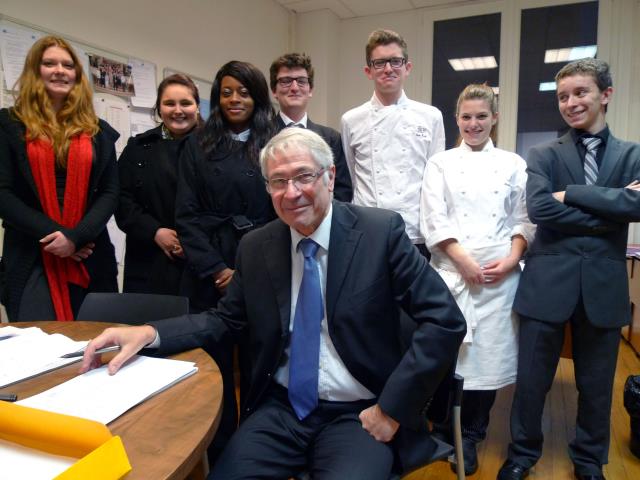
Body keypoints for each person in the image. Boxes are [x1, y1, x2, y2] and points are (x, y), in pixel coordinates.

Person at [81, 127, 466, 479]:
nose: (292, 192)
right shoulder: (257, 246)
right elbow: (225, 321)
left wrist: (392, 409)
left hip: (360, 412)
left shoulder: (380, 233)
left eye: (303, 176)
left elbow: (444, 321)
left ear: (330, 177)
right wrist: (150, 333)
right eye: (278, 181)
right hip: (281, 409)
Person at [497, 58, 640, 480]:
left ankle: (589, 460)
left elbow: (639, 206)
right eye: (563, 96)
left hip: (604, 286)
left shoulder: (633, 154)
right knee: (531, 382)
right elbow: (540, 209)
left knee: (596, 386)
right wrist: (611, 208)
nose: (571, 103)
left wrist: (573, 193)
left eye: (580, 92)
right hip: (546, 284)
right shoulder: (542, 153)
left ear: (605, 95)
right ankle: (522, 455)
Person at [420, 83, 534, 475]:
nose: (473, 124)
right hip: (453, 274)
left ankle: (471, 433)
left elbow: (524, 218)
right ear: (457, 119)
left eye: (481, 116)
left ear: (494, 118)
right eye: (466, 117)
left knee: (488, 360)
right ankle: (440, 430)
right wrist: (462, 260)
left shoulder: (513, 163)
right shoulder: (441, 163)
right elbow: (433, 218)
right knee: (448, 357)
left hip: (500, 278)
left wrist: (512, 259)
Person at [175, 60, 277, 462]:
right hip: (209, 269)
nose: (235, 99)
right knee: (214, 368)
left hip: (264, 262)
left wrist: (246, 270)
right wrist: (218, 268)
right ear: (217, 96)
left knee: (258, 366)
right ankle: (218, 453)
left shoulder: (276, 140)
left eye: (245, 92)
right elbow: (185, 215)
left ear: (258, 97)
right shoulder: (197, 144)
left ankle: (256, 449)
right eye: (227, 91)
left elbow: (285, 211)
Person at [0, 35, 118, 322]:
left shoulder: (98, 131)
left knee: (97, 346)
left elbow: (111, 191)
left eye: (68, 65)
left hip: (90, 253)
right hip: (31, 255)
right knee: (37, 348)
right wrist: (59, 236)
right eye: (49, 63)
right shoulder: (9, 124)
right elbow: (2, 194)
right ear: (34, 71)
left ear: (77, 74)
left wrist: (76, 237)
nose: (60, 70)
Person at [341, 29, 445, 258]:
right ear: (368, 71)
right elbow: (353, 175)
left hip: (415, 233)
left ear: (407, 67)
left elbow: (435, 181)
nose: (388, 69)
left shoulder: (431, 116)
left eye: (395, 61)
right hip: (366, 231)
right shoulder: (351, 119)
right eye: (379, 63)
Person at [115, 74, 201, 295]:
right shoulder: (138, 147)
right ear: (159, 108)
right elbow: (120, 198)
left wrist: (191, 239)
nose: (177, 110)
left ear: (197, 107)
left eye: (186, 103)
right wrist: (154, 231)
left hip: (200, 260)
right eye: (169, 103)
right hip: (147, 259)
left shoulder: (214, 148)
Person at [269, 52, 352, 202]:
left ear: (310, 90)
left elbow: (342, 190)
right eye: (286, 81)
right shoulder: (260, 135)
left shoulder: (331, 138)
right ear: (274, 91)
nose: (294, 87)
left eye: (301, 81)